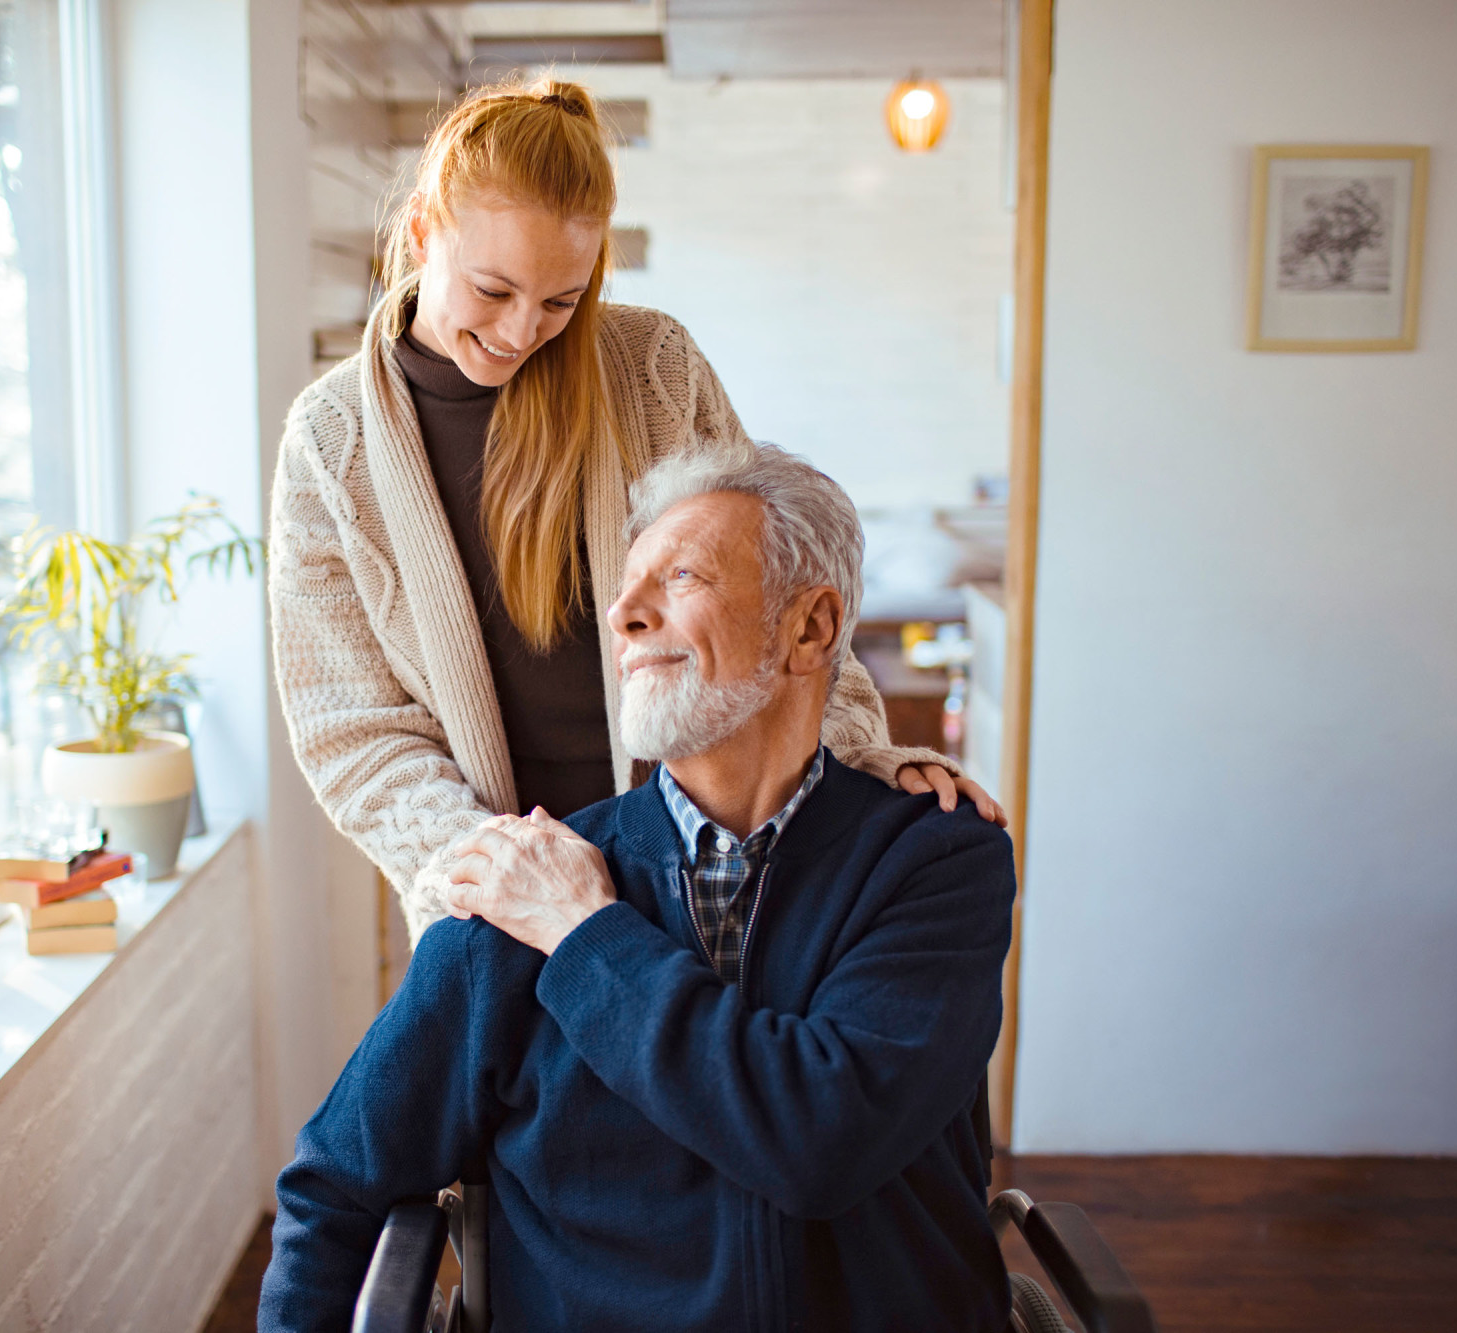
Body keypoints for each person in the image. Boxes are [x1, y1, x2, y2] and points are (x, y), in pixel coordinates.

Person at [258, 445, 1016, 1332]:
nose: (623, 613)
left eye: (682, 575)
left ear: (810, 630)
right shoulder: (519, 891)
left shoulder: (935, 862)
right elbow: (335, 1186)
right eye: (625, 588)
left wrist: (586, 936)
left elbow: (823, 1140)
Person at [269, 74, 1002, 938]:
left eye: (561, 301)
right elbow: (352, 732)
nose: (520, 332)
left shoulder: (652, 366)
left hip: (714, 864)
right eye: (494, 291)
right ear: (425, 228)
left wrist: (860, 759)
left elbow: (775, 588)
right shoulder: (330, 443)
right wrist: (513, 876)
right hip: (498, 912)